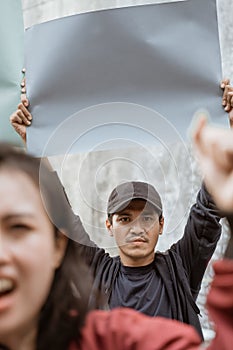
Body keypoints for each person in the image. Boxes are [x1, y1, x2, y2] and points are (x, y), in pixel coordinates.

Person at [8, 78, 231, 338]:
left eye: (147, 218)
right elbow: (62, 215)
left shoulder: (181, 266)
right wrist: (34, 143)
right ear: (109, 226)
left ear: (161, 224)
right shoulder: (97, 270)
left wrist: (229, 131)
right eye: (125, 218)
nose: (137, 228)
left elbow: (208, 210)